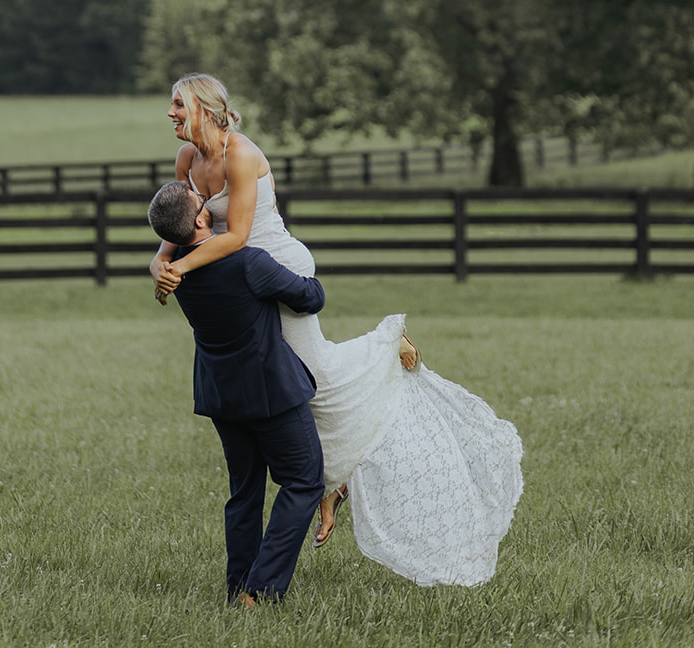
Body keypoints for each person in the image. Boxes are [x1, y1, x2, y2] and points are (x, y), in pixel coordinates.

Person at [151, 73, 524, 587]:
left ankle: (386, 350)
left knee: (314, 375)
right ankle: (327, 484)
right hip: (237, 275)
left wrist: (185, 271)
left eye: (177, 104)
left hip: (271, 268)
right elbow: (168, 244)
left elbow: (236, 236)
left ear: (206, 107)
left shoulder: (240, 155)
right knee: (290, 390)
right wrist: (162, 270)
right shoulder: (187, 163)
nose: (169, 113)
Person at [146, 178, 326, 608]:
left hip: (222, 395)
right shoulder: (248, 263)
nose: (207, 199)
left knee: (244, 493)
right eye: (200, 199)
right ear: (203, 217)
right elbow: (310, 298)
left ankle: (237, 588)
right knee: (304, 481)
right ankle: (261, 591)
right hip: (270, 392)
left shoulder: (175, 274)